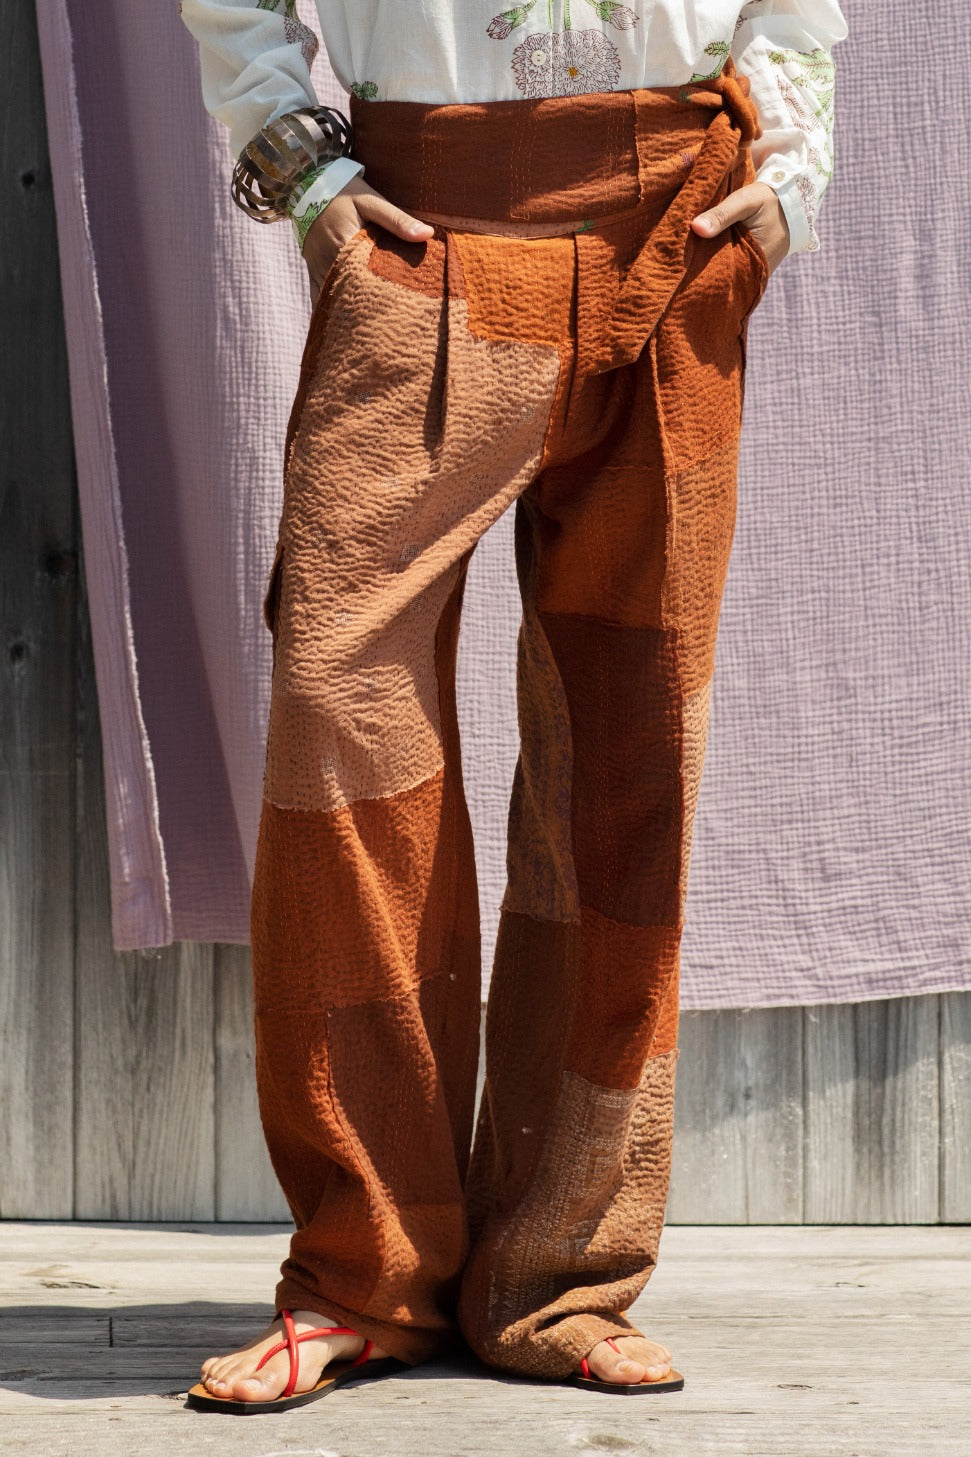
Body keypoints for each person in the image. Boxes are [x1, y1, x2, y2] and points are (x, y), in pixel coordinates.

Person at [178, 0, 848, 1415]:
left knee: (630, 741)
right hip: (426, 223)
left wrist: (791, 172)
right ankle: (363, 1273)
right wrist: (300, 166)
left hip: (678, 226)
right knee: (338, 713)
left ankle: (563, 1276)